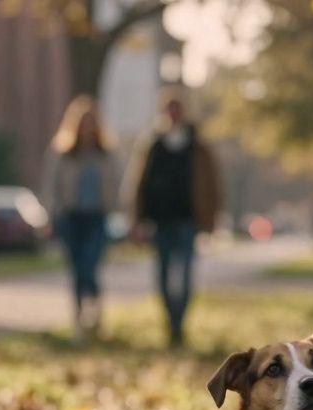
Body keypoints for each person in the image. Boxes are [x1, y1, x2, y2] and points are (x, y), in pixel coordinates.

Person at [130, 93, 222, 349]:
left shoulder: (198, 147)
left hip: (187, 220)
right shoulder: (153, 145)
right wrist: (137, 219)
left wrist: (211, 219)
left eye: (177, 109)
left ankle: (180, 323)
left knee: (183, 275)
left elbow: (212, 185)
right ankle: (170, 321)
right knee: (162, 275)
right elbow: (139, 183)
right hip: (160, 221)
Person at [43, 95, 121, 340]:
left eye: (91, 122)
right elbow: (50, 186)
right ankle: (78, 319)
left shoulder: (105, 155)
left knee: (91, 266)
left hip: (96, 217)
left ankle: (95, 315)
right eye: (83, 122)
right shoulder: (64, 154)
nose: (87, 127)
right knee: (77, 270)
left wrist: (116, 209)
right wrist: (50, 215)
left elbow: (116, 185)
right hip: (71, 218)